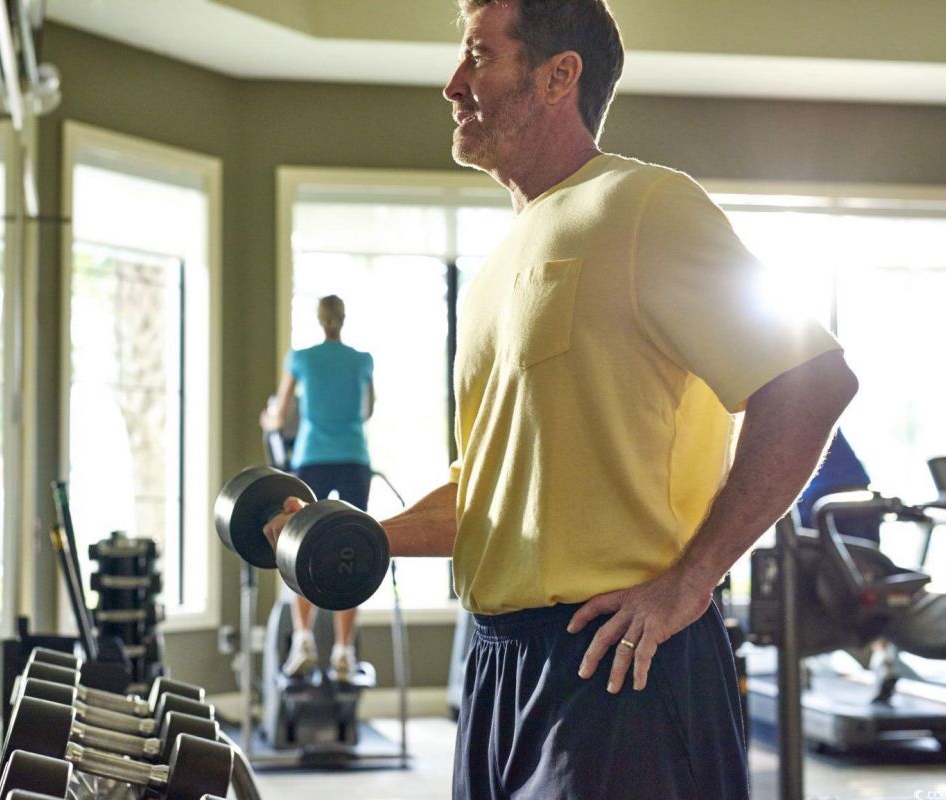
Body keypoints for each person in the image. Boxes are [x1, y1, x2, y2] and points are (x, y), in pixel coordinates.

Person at [267, 1, 858, 797]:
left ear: (559, 76)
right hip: (497, 667)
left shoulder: (643, 203)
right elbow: (494, 494)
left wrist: (693, 580)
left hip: (618, 662)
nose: (453, 84)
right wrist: (348, 538)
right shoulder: (499, 264)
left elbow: (811, 381)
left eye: (480, 56)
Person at [261, 295, 375, 681]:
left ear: (319, 319)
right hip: (354, 458)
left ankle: (304, 641)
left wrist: (268, 419)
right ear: (343, 319)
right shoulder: (362, 360)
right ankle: (343, 653)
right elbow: (367, 410)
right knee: (355, 550)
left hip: (313, 457)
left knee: (300, 546)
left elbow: (280, 415)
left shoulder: (301, 359)